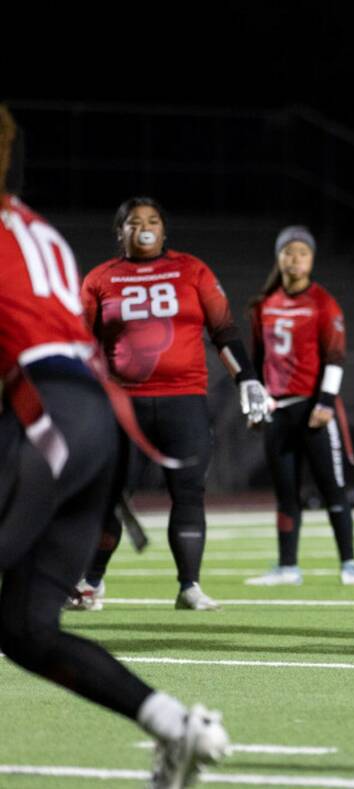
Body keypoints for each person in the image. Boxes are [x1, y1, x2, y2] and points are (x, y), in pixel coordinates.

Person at [0, 104, 230, 788]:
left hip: (43, 414)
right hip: (95, 421)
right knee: (27, 628)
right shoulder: (35, 227)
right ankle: (173, 723)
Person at [74, 197, 272, 611]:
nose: (144, 227)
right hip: (123, 407)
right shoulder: (99, 279)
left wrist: (247, 379)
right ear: (120, 232)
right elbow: (80, 344)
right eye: (134, 221)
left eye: (152, 220)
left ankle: (190, 586)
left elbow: (223, 330)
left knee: (187, 493)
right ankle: (90, 582)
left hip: (184, 400)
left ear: (164, 231)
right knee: (109, 496)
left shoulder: (192, 270)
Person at [245, 226, 354, 587]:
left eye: (303, 253)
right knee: (285, 492)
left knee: (332, 488)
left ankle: (348, 565)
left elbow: (336, 356)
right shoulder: (263, 304)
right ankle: (287, 567)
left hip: (313, 409)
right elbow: (258, 360)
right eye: (289, 252)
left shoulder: (322, 302)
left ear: (312, 259)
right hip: (278, 409)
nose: (295, 259)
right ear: (278, 256)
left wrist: (326, 401)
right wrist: (256, 403)